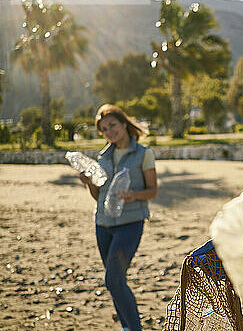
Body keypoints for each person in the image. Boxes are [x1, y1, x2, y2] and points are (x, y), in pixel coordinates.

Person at [79, 104, 158, 331]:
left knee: (112, 278)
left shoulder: (144, 154)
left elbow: (153, 191)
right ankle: (127, 326)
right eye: (104, 129)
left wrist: (134, 195)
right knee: (116, 282)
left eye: (112, 125)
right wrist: (89, 185)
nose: (109, 132)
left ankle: (134, 328)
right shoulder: (102, 157)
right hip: (102, 224)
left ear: (123, 123)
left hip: (130, 224)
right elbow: (99, 196)